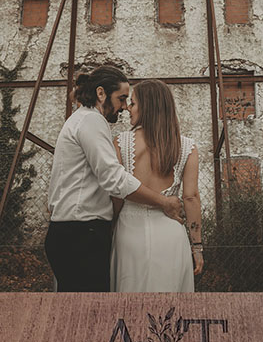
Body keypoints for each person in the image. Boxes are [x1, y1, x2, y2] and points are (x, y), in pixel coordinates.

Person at [45, 65, 183, 292]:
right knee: (90, 315)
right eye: (121, 98)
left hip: (71, 231)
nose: (124, 107)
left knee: (77, 314)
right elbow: (114, 179)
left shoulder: (79, 120)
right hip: (81, 234)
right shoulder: (91, 121)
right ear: (101, 94)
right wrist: (163, 201)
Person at [111, 79, 203, 292]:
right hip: (170, 233)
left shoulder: (121, 143)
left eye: (133, 103)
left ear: (147, 106)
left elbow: (116, 194)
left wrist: (111, 226)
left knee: (128, 303)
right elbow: (190, 197)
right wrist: (196, 246)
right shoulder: (187, 147)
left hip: (129, 233)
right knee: (169, 309)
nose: (127, 109)